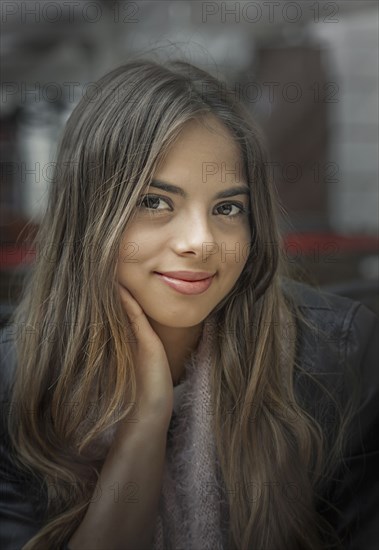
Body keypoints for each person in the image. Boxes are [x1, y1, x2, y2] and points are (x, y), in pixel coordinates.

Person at [0, 59, 378, 550]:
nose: (200, 242)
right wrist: (144, 423)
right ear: (88, 217)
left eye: (227, 208)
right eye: (155, 202)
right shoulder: (13, 382)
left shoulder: (341, 357)